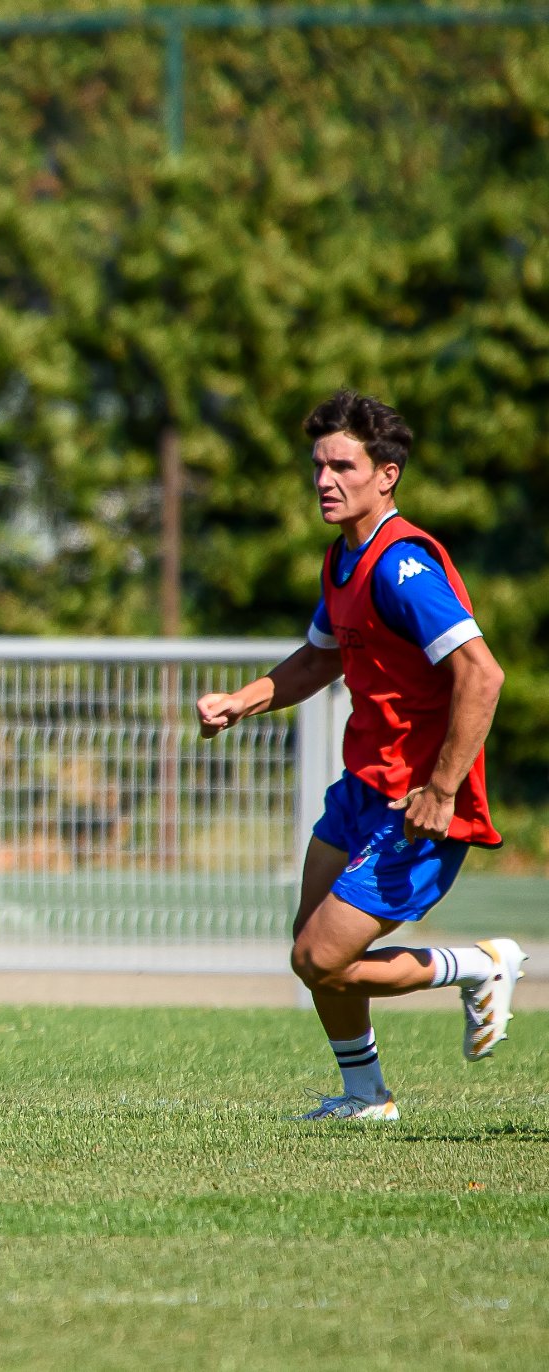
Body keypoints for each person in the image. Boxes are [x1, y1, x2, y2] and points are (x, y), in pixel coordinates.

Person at [197, 390, 520, 1121]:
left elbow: (483, 673)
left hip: (417, 803)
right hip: (362, 789)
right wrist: (240, 702)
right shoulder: (344, 561)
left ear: (387, 475)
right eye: (317, 465)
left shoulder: (402, 567)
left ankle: (479, 965)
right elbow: (317, 662)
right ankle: (365, 1096)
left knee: (318, 957)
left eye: (342, 465)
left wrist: (440, 788)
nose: (324, 480)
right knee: (310, 942)